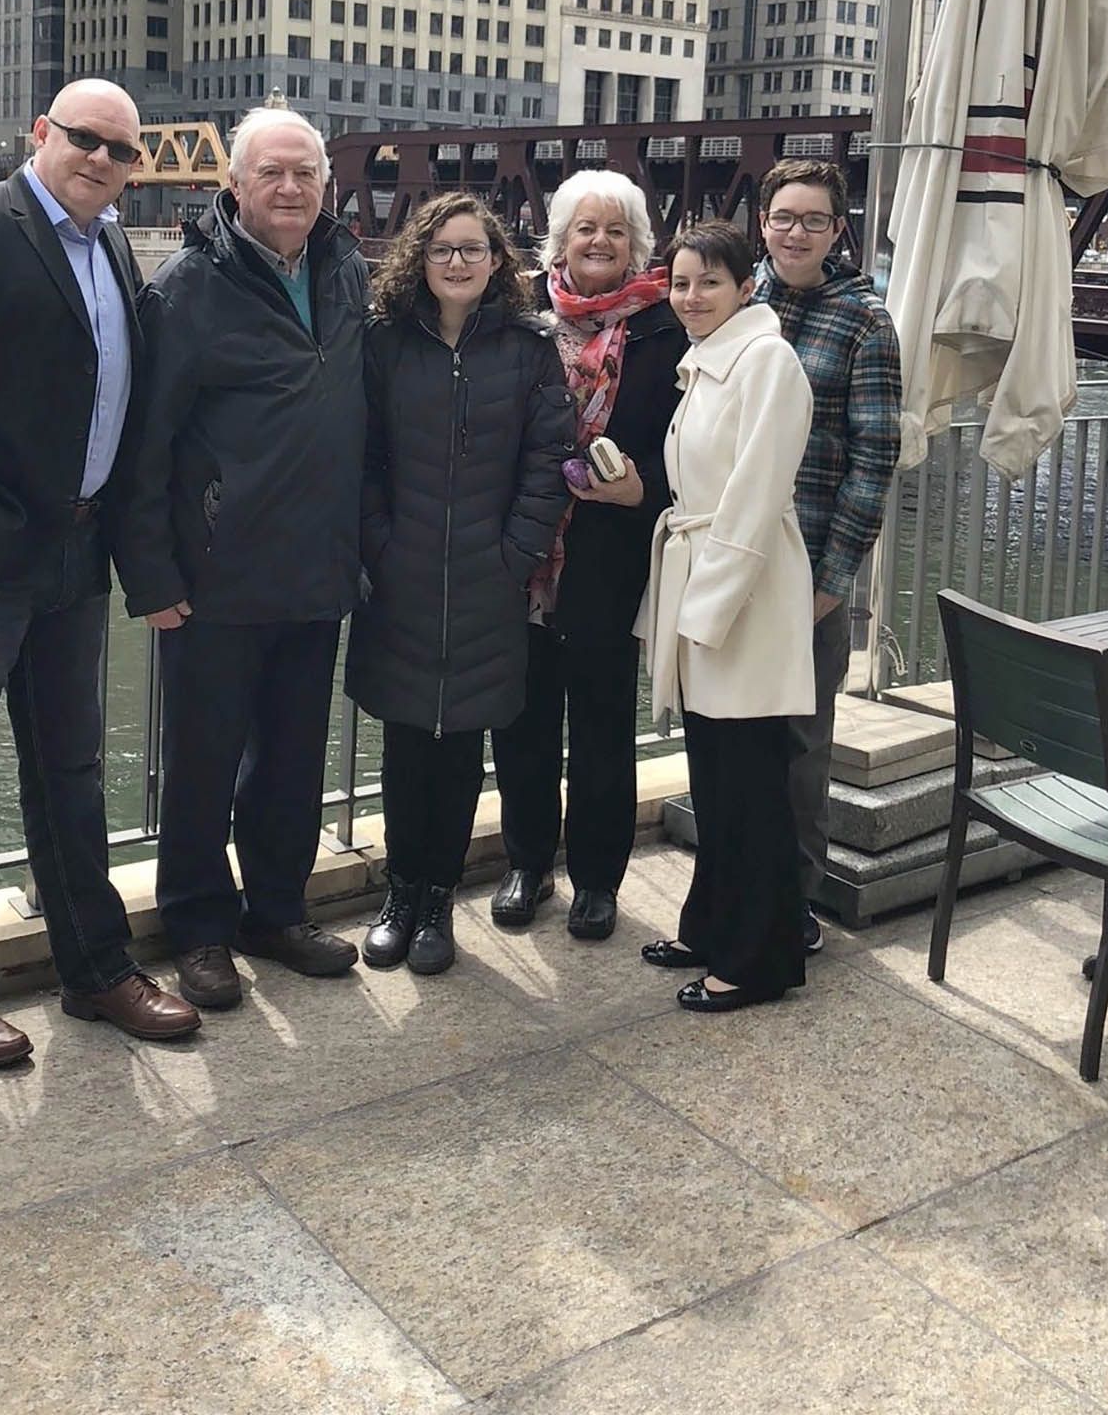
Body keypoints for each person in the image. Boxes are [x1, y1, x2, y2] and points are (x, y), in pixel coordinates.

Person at [0, 79, 201, 1069]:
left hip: (74, 548)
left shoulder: (107, 240)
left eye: (120, 148)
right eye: (84, 139)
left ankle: (95, 969)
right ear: (40, 135)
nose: (101, 158)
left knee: (68, 768)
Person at [116, 109, 369, 1010]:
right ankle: (197, 926)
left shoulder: (346, 270)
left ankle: (276, 911)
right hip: (215, 576)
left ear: (325, 186)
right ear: (235, 187)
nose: (292, 188)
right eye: (272, 174)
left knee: (294, 761)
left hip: (317, 570)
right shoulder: (187, 288)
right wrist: (153, 578)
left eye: (306, 173)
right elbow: (145, 448)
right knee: (203, 761)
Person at [345, 195, 574, 975]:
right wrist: (378, 540)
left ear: (497, 261)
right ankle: (400, 891)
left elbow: (551, 459)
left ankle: (439, 897)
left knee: (462, 742)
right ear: (420, 256)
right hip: (401, 573)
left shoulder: (528, 346)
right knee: (407, 740)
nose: (457, 263)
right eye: (442, 249)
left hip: (488, 575)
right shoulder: (384, 343)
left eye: (473, 250)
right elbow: (361, 454)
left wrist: (516, 554)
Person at [489, 171, 684, 941]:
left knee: (604, 725)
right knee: (522, 720)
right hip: (523, 553)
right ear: (559, 240)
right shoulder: (517, 316)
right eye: (584, 228)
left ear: (635, 246)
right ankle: (527, 864)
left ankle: (597, 880)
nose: (598, 242)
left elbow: (697, 448)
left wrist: (647, 492)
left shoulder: (668, 326)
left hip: (612, 556)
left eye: (614, 231)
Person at [638, 219, 815, 1014]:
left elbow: (755, 495)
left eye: (709, 281)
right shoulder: (710, 360)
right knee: (715, 776)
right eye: (680, 282)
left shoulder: (766, 361)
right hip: (707, 576)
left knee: (749, 783)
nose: (691, 296)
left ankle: (759, 957)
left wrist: (703, 610)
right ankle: (713, 925)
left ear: (747, 286)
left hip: (740, 589)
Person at [753, 159, 901, 951]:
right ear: (763, 223)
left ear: (837, 231)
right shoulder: (735, 300)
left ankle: (794, 899)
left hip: (808, 567)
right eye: (784, 217)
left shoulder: (865, 323)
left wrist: (834, 580)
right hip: (736, 563)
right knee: (734, 733)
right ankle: (739, 883)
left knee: (802, 744)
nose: (796, 233)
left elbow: (876, 457)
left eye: (814, 220)